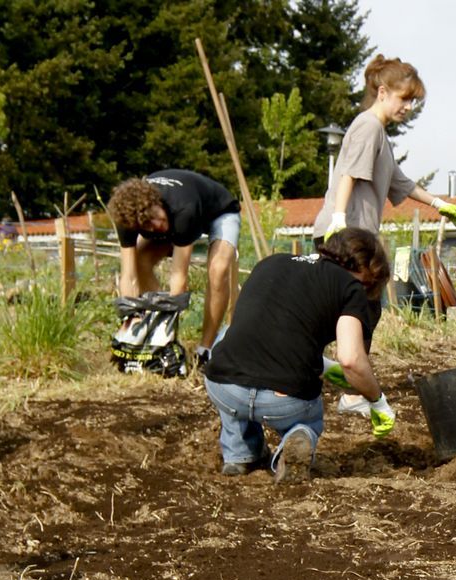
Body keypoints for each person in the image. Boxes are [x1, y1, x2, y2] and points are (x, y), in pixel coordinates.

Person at [203, 228, 396, 481]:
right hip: (284, 402)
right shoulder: (350, 287)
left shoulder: (271, 262)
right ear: (363, 266)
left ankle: (239, 455)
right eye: (369, 283)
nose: (366, 290)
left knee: (228, 337)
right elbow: (351, 359)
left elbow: (261, 333)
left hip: (223, 387)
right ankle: (300, 434)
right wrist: (377, 401)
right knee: (311, 418)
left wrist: (323, 366)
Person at [312, 54, 456, 245]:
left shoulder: (380, 134)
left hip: (356, 233)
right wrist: (338, 219)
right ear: (382, 93)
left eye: (412, 101)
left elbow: (402, 183)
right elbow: (349, 174)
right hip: (344, 232)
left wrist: (438, 203)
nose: (408, 107)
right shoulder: (369, 126)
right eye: (404, 99)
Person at [108, 169, 241, 364]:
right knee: (140, 261)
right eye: (147, 225)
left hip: (219, 212)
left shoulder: (182, 209)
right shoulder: (127, 220)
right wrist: (132, 319)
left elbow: (179, 277)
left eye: (156, 217)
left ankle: (205, 350)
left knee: (218, 269)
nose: (156, 225)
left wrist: (168, 326)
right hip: (178, 221)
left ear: (156, 201)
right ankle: (152, 332)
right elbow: (129, 275)